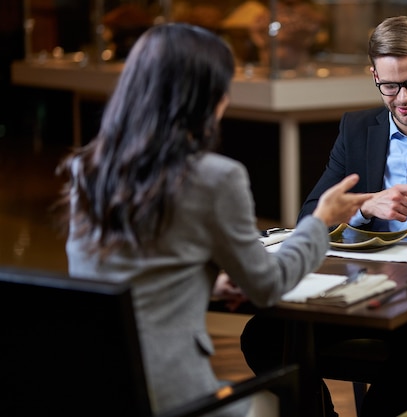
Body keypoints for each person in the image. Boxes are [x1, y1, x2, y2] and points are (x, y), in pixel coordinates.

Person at [56, 23, 370, 417]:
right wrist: (321, 220)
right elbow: (268, 286)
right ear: (204, 97)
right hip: (175, 395)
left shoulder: (88, 168)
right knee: (274, 405)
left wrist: (202, 279)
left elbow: (133, 268)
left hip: (92, 385)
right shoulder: (214, 177)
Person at [240, 15, 407, 417]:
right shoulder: (356, 129)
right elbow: (312, 214)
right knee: (262, 337)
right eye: (389, 86)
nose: (403, 98)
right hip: (363, 291)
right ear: (373, 76)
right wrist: (365, 205)